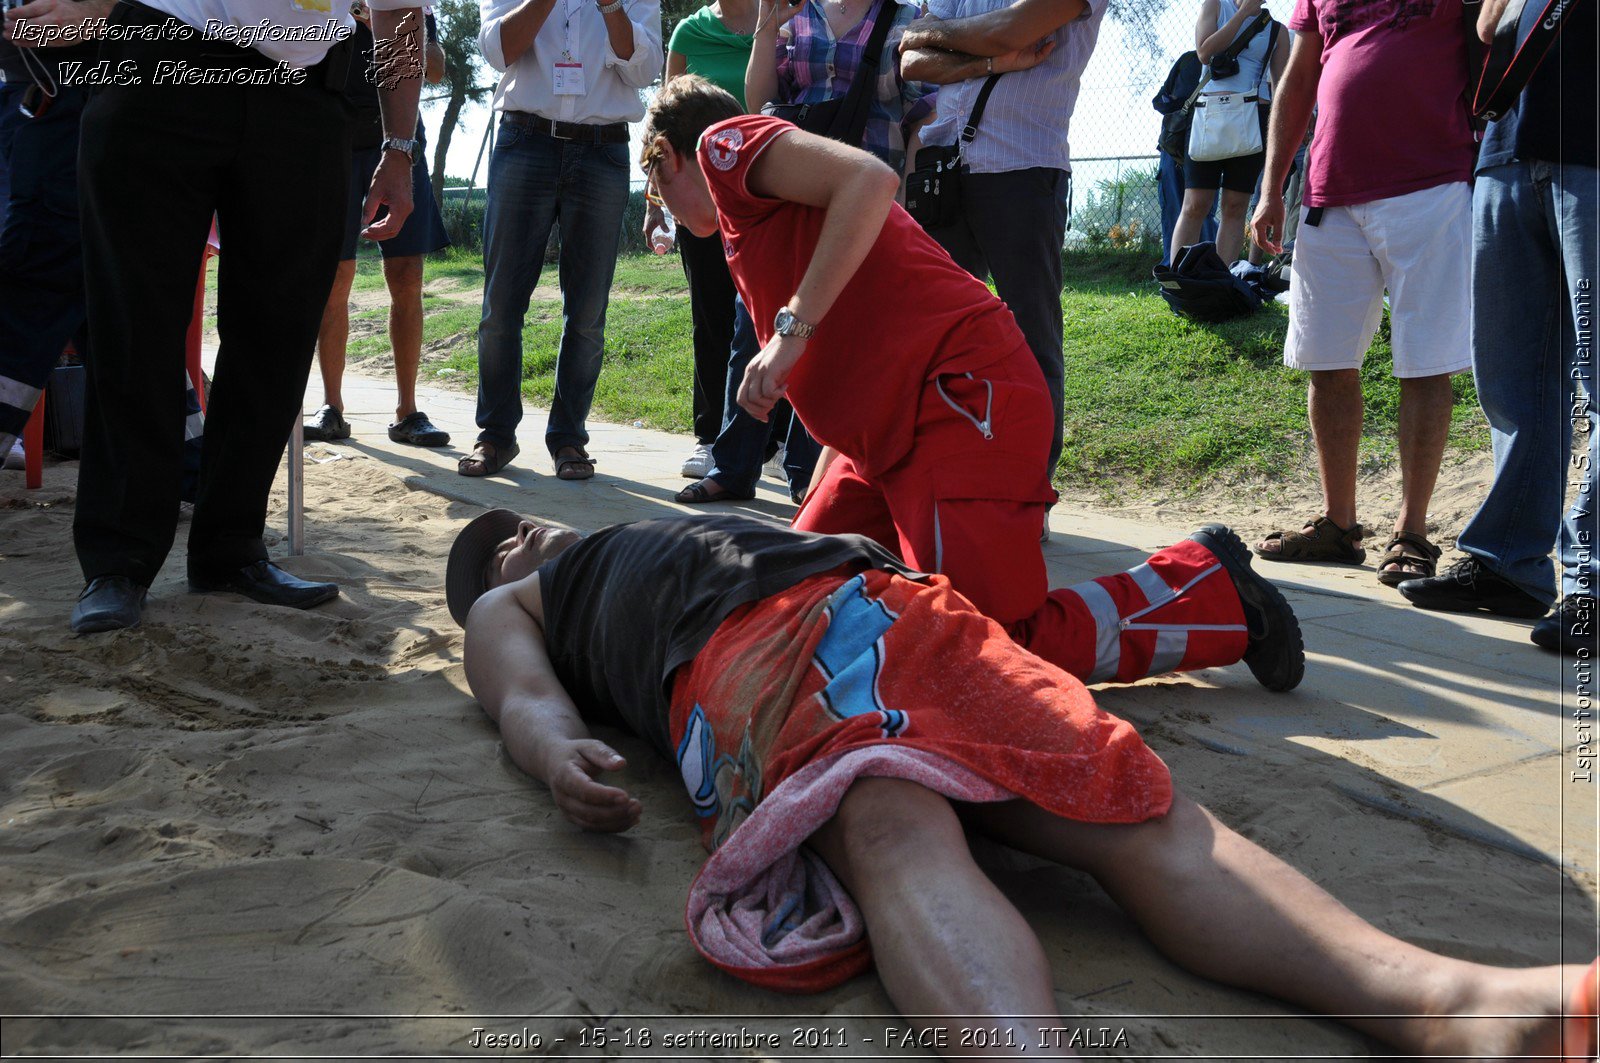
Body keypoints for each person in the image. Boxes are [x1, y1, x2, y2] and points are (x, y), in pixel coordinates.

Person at [447, 507, 1598, 1059]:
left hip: (895, 606)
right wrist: (554, 751)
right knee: (888, 820)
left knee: (1126, 800)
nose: (534, 529)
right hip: (754, 655)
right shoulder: (525, 596)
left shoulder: (648, 529)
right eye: (507, 534)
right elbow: (518, 692)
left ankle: (1445, 1002)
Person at [641, 77, 1303, 693]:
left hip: (959, 397)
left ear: (665, 153)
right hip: (886, 435)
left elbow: (869, 181)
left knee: (990, 646)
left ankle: (1212, 591)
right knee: (798, 600)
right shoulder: (743, 215)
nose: (660, 205)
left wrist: (789, 333)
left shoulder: (721, 145)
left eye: (653, 186)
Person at [48, 0, 423, 633]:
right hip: (161, 62)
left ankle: (231, 548)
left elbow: (399, 14)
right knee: (133, 323)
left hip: (302, 91)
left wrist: (399, 145)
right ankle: (118, 560)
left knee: (278, 333)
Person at [671, 0, 936, 506]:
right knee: (752, 329)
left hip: (862, 200)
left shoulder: (906, 17)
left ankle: (805, 477)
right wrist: (769, 23)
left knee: (834, 340)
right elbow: (759, 102)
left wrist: (901, 202)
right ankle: (732, 466)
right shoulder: (797, 13)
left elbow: (919, 117)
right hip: (788, 196)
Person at [1395, 0, 1599, 655]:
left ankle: (1592, 584)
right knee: (1515, 382)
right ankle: (1508, 562)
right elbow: (1489, 29)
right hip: (1510, 147)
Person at [1248, 0, 1474, 588]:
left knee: (1425, 363)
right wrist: (1273, 187)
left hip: (1434, 183)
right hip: (1329, 192)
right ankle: (1339, 525)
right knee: (1327, 363)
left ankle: (1413, 531)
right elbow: (1298, 78)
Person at [898, 0, 1102, 477]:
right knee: (936, 334)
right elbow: (911, 60)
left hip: (1025, 168)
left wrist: (943, 34)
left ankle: (1030, 488)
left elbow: (1010, 30)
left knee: (1033, 338)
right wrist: (990, 61)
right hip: (946, 167)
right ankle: (942, 474)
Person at [462, 0, 663, 481]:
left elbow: (646, 68)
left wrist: (612, 7)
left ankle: (569, 438)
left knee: (588, 312)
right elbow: (497, 50)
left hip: (603, 149)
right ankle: (494, 435)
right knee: (501, 306)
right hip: (524, 140)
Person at [304, 6, 454, 450]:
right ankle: (332, 407)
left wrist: (385, 28)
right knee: (335, 278)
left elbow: (436, 69)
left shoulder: (410, 6)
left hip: (399, 146)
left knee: (407, 277)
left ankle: (407, 412)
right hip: (333, 141)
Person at [646, 0, 756, 483]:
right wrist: (655, 202)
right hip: (699, 197)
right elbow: (659, 124)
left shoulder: (782, 20)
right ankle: (710, 435)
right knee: (713, 317)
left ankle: (768, 439)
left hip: (759, 194)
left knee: (764, 316)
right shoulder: (689, 33)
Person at [0, 13, 101, 474]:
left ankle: (184, 468)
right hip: (45, 110)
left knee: (31, 299)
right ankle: (186, 468)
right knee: (123, 321)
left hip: (66, 117)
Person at [1166, 0, 1286, 264]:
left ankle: (1220, 283)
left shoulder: (1278, 31)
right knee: (1196, 204)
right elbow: (1205, 53)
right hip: (1209, 116)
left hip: (1253, 120)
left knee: (1235, 206)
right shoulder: (1215, 5)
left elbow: (1282, 89)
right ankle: (1177, 282)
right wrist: (1243, 14)